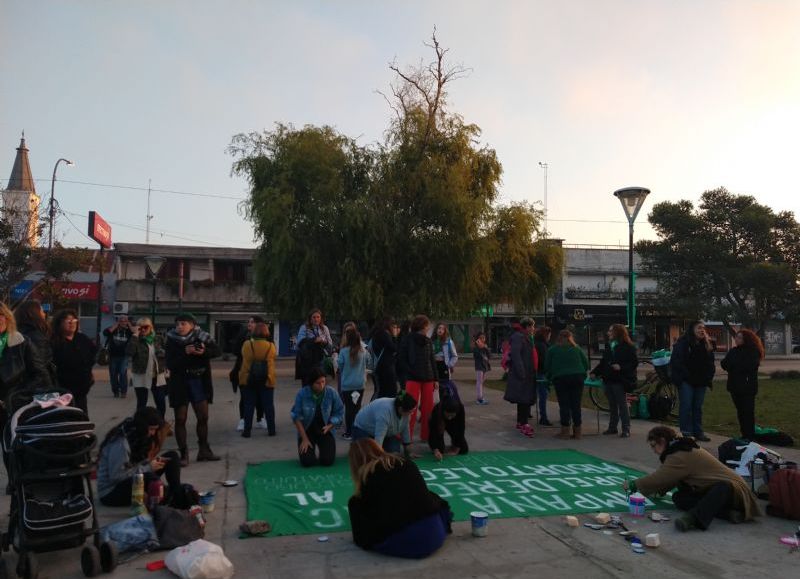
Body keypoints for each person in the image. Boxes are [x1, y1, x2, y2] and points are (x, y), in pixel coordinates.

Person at [623, 426, 760, 532]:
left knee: (722, 487)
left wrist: (635, 485)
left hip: (735, 491)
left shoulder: (680, 454)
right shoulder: (679, 448)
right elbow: (673, 477)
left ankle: (694, 519)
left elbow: (661, 476)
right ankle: (728, 513)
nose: (653, 450)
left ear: (663, 441)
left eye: (654, 445)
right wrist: (658, 491)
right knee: (679, 497)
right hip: (712, 490)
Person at [347, 438, 452, 558]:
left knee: (355, 504)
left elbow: (363, 529)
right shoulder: (405, 462)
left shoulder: (369, 477)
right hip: (435, 534)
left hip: (409, 543)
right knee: (427, 494)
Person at [97, 406, 185, 508]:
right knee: (150, 480)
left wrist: (151, 463)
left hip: (132, 476)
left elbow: (138, 463)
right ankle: (171, 496)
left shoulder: (138, 436)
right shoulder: (121, 443)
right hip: (111, 492)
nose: (153, 433)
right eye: (151, 429)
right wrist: (148, 467)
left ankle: (177, 495)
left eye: (155, 430)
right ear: (142, 427)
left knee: (172, 457)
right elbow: (116, 476)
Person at [165, 313, 222, 466]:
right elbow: (170, 363)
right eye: (178, 324)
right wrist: (185, 352)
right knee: (180, 419)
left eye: (183, 324)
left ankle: (204, 450)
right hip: (180, 383)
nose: (180, 327)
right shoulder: (171, 340)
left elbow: (217, 352)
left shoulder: (202, 336)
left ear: (192, 325)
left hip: (199, 381)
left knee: (203, 417)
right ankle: (183, 454)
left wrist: (204, 352)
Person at [0, 302, 51, 432]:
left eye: (1, 315)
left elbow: (41, 375)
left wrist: (18, 395)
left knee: (10, 446)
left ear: (8, 318)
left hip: (13, 407)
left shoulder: (21, 342)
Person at [590, 324, 639, 438]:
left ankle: (626, 428)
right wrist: (595, 372)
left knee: (622, 404)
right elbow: (603, 362)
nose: (608, 333)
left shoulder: (628, 347)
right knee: (612, 404)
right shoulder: (609, 346)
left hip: (620, 379)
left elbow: (634, 363)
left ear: (617, 333)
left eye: (611, 331)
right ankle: (612, 427)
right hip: (608, 379)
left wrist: (621, 367)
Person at [670, 321, 716, 442]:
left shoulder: (707, 344)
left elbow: (711, 362)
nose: (702, 330)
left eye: (703, 328)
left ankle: (698, 432)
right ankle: (686, 432)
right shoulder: (683, 343)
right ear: (692, 330)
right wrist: (683, 376)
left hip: (701, 381)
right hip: (686, 381)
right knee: (686, 406)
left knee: (697, 407)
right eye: (699, 328)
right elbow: (676, 362)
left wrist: (708, 377)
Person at [290, 368, 344, 467]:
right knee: (307, 462)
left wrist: (331, 425)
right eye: (317, 383)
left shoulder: (331, 393)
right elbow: (296, 417)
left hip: (325, 430)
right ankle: (308, 450)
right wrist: (304, 439)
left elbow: (339, 412)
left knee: (327, 461)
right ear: (311, 383)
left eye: (323, 381)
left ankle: (324, 450)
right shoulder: (302, 394)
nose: (321, 385)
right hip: (307, 431)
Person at [397, 315, 438, 442]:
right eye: (427, 325)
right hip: (413, 378)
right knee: (410, 408)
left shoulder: (428, 341)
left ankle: (427, 435)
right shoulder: (407, 339)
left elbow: (432, 360)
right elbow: (401, 359)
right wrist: (410, 371)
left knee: (428, 409)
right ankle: (405, 435)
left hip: (428, 378)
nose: (429, 327)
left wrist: (436, 379)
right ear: (422, 326)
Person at [50, 309, 97, 415]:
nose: (71, 323)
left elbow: (92, 356)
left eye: (74, 320)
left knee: (82, 418)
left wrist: (90, 374)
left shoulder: (82, 339)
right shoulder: (54, 341)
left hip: (82, 391)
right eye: (68, 320)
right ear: (59, 323)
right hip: (63, 391)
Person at [546, 329, 590, 440]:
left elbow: (547, 366)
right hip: (577, 377)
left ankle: (565, 431)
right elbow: (586, 364)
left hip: (561, 378)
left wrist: (550, 376)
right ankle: (578, 432)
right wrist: (581, 372)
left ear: (558, 337)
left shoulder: (553, 350)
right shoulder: (576, 348)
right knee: (576, 404)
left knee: (564, 404)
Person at [720, 329, 764, 441]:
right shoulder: (734, 351)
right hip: (734, 387)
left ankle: (750, 435)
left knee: (748, 412)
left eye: (739, 337)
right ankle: (744, 434)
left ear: (746, 339)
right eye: (736, 337)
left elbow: (747, 366)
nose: (736, 339)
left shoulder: (753, 351)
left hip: (747, 388)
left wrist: (733, 365)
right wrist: (733, 365)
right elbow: (724, 364)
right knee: (740, 412)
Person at [238, 322, 277, 438]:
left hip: (248, 378)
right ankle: (271, 430)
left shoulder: (246, 345)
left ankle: (247, 431)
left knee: (248, 405)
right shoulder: (271, 346)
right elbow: (273, 356)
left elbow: (243, 355)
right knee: (268, 405)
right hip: (267, 378)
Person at [229, 316, 267, 432]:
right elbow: (235, 351)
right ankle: (243, 419)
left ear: (259, 324)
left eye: (252, 322)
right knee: (245, 396)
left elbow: (270, 352)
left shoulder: (265, 336)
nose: (249, 324)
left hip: (260, 370)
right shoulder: (243, 335)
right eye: (249, 322)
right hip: (244, 369)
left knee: (260, 396)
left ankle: (260, 418)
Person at [126, 317, 167, 417]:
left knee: (160, 401)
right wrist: (135, 335)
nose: (143, 329)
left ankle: (160, 423)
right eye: (140, 327)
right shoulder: (135, 339)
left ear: (151, 327)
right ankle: (141, 424)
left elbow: (168, 352)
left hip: (157, 375)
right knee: (141, 402)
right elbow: (129, 352)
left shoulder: (158, 338)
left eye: (146, 327)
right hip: (141, 374)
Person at [352, 393, 417, 455]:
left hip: (386, 433)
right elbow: (379, 438)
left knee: (394, 451)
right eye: (410, 412)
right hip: (362, 429)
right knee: (367, 455)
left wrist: (408, 453)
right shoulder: (384, 412)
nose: (412, 413)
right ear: (400, 409)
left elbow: (405, 430)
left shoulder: (405, 411)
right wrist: (379, 454)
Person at [503, 318, 536, 438]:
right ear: (526, 327)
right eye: (532, 326)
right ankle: (524, 423)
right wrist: (522, 371)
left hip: (527, 372)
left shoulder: (525, 337)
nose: (533, 329)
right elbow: (516, 355)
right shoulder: (519, 337)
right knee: (524, 398)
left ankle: (521, 421)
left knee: (524, 398)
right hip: (522, 373)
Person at [13, 299, 56, 385]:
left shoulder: (17, 332)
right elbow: (39, 366)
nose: (44, 314)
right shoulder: (36, 336)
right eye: (42, 311)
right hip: (34, 386)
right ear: (33, 314)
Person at [337, 326, 367, 439]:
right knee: (357, 407)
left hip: (347, 385)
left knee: (349, 409)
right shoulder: (363, 351)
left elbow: (340, 366)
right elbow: (368, 363)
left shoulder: (344, 351)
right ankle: (357, 430)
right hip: (360, 385)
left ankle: (349, 432)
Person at [294, 308, 333, 383]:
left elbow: (330, 345)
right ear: (310, 318)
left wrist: (324, 342)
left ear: (321, 318)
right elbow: (300, 342)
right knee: (307, 383)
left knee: (320, 383)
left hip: (320, 360)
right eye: (314, 317)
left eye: (318, 317)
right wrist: (314, 340)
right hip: (307, 361)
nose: (316, 319)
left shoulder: (324, 328)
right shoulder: (304, 328)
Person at [428, 396, 468, 460]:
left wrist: (456, 449)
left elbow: (461, 428)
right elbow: (433, 433)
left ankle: (454, 444)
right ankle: (439, 447)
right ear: (444, 411)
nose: (449, 417)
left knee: (463, 449)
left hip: (453, 423)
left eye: (452, 415)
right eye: (448, 415)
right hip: (440, 422)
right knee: (440, 450)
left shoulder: (460, 408)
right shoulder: (437, 411)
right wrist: (435, 450)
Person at [103, 315, 133, 398]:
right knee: (113, 374)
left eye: (125, 321)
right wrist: (116, 325)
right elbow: (105, 333)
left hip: (124, 355)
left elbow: (135, 333)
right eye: (121, 321)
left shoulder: (128, 331)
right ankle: (115, 391)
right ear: (118, 322)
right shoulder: (113, 329)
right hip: (113, 355)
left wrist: (129, 324)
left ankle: (123, 391)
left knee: (123, 373)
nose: (123, 323)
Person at [369, 317, 399, 399]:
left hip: (379, 367)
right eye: (393, 326)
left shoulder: (376, 334)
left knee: (380, 391)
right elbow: (394, 348)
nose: (394, 328)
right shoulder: (384, 334)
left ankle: (375, 409)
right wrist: (395, 336)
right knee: (389, 391)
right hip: (386, 367)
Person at [533, 326, 552, 425]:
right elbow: (545, 361)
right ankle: (543, 417)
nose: (549, 337)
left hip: (536, 371)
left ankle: (528, 412)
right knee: (543, 395)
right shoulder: (543, 346)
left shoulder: (536, 343)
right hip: (541, 372)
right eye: (549, 335)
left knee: (536, 393)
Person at [472, 332, 490, 405]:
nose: (483, 339)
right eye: (481, 338)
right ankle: (479, 398)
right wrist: (479, 347)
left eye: (484, 338)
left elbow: (489, 356)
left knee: (481, 382)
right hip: (479, 366)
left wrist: (485, 348)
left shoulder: (485, 347)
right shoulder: (476, 348)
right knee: (479, 382)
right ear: (478, 340)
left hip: (484, 366)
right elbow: (476, 356)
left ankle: (480, 397)